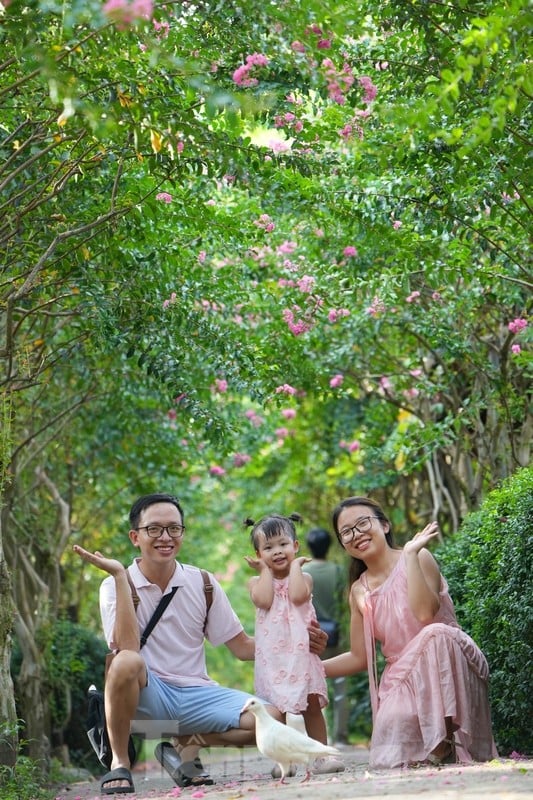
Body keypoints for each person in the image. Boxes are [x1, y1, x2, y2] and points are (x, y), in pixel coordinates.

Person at [74, 493, 327, 794]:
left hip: (198, 695)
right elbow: (128, 648)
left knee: (271, 717)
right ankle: (120, 763)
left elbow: (243, 647)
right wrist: (118, 575)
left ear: (181, 533)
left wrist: (301, 643)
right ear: (135, 537)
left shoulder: (202, 583)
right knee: (126, 661)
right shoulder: (115, 583)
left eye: (174, 528)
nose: (165, 537)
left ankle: (188, 745)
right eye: (154, 529)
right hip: (147, 698)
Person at [324, 496, 498, 769]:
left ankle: (443, 745)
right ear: (343, 543)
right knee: (394, 745)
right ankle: (436, 747)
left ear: (384, 525)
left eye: (362, 523)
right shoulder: (359, 590)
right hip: (401, 678)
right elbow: (359, 657)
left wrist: (409, 555)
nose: (357, 534)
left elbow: (425, 614)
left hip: (448, 662)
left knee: (436, 633)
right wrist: (309, 668)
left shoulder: (419, 556)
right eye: (347, 532)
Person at [244, 512, 345, 776]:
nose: (277, 552)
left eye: (283, 544)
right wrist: (264, 571)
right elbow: (265, 600)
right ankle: (284, 762)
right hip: (274, 659)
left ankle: (321, 755)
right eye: (268, 548)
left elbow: (298, 596)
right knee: (279, 711)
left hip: (301, 654)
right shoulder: (255, 582)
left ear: (296, 546)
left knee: (311, 706)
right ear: (258, 554)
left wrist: (297, 567)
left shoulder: (305, 577)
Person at [302, 527, 350, 746]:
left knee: (308, 688)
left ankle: (314, 738)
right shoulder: (339, 571)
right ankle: (340, 737)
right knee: (340, 686)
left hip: (309, 637)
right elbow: (346, 604)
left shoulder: (303, 572)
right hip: (336, 635)